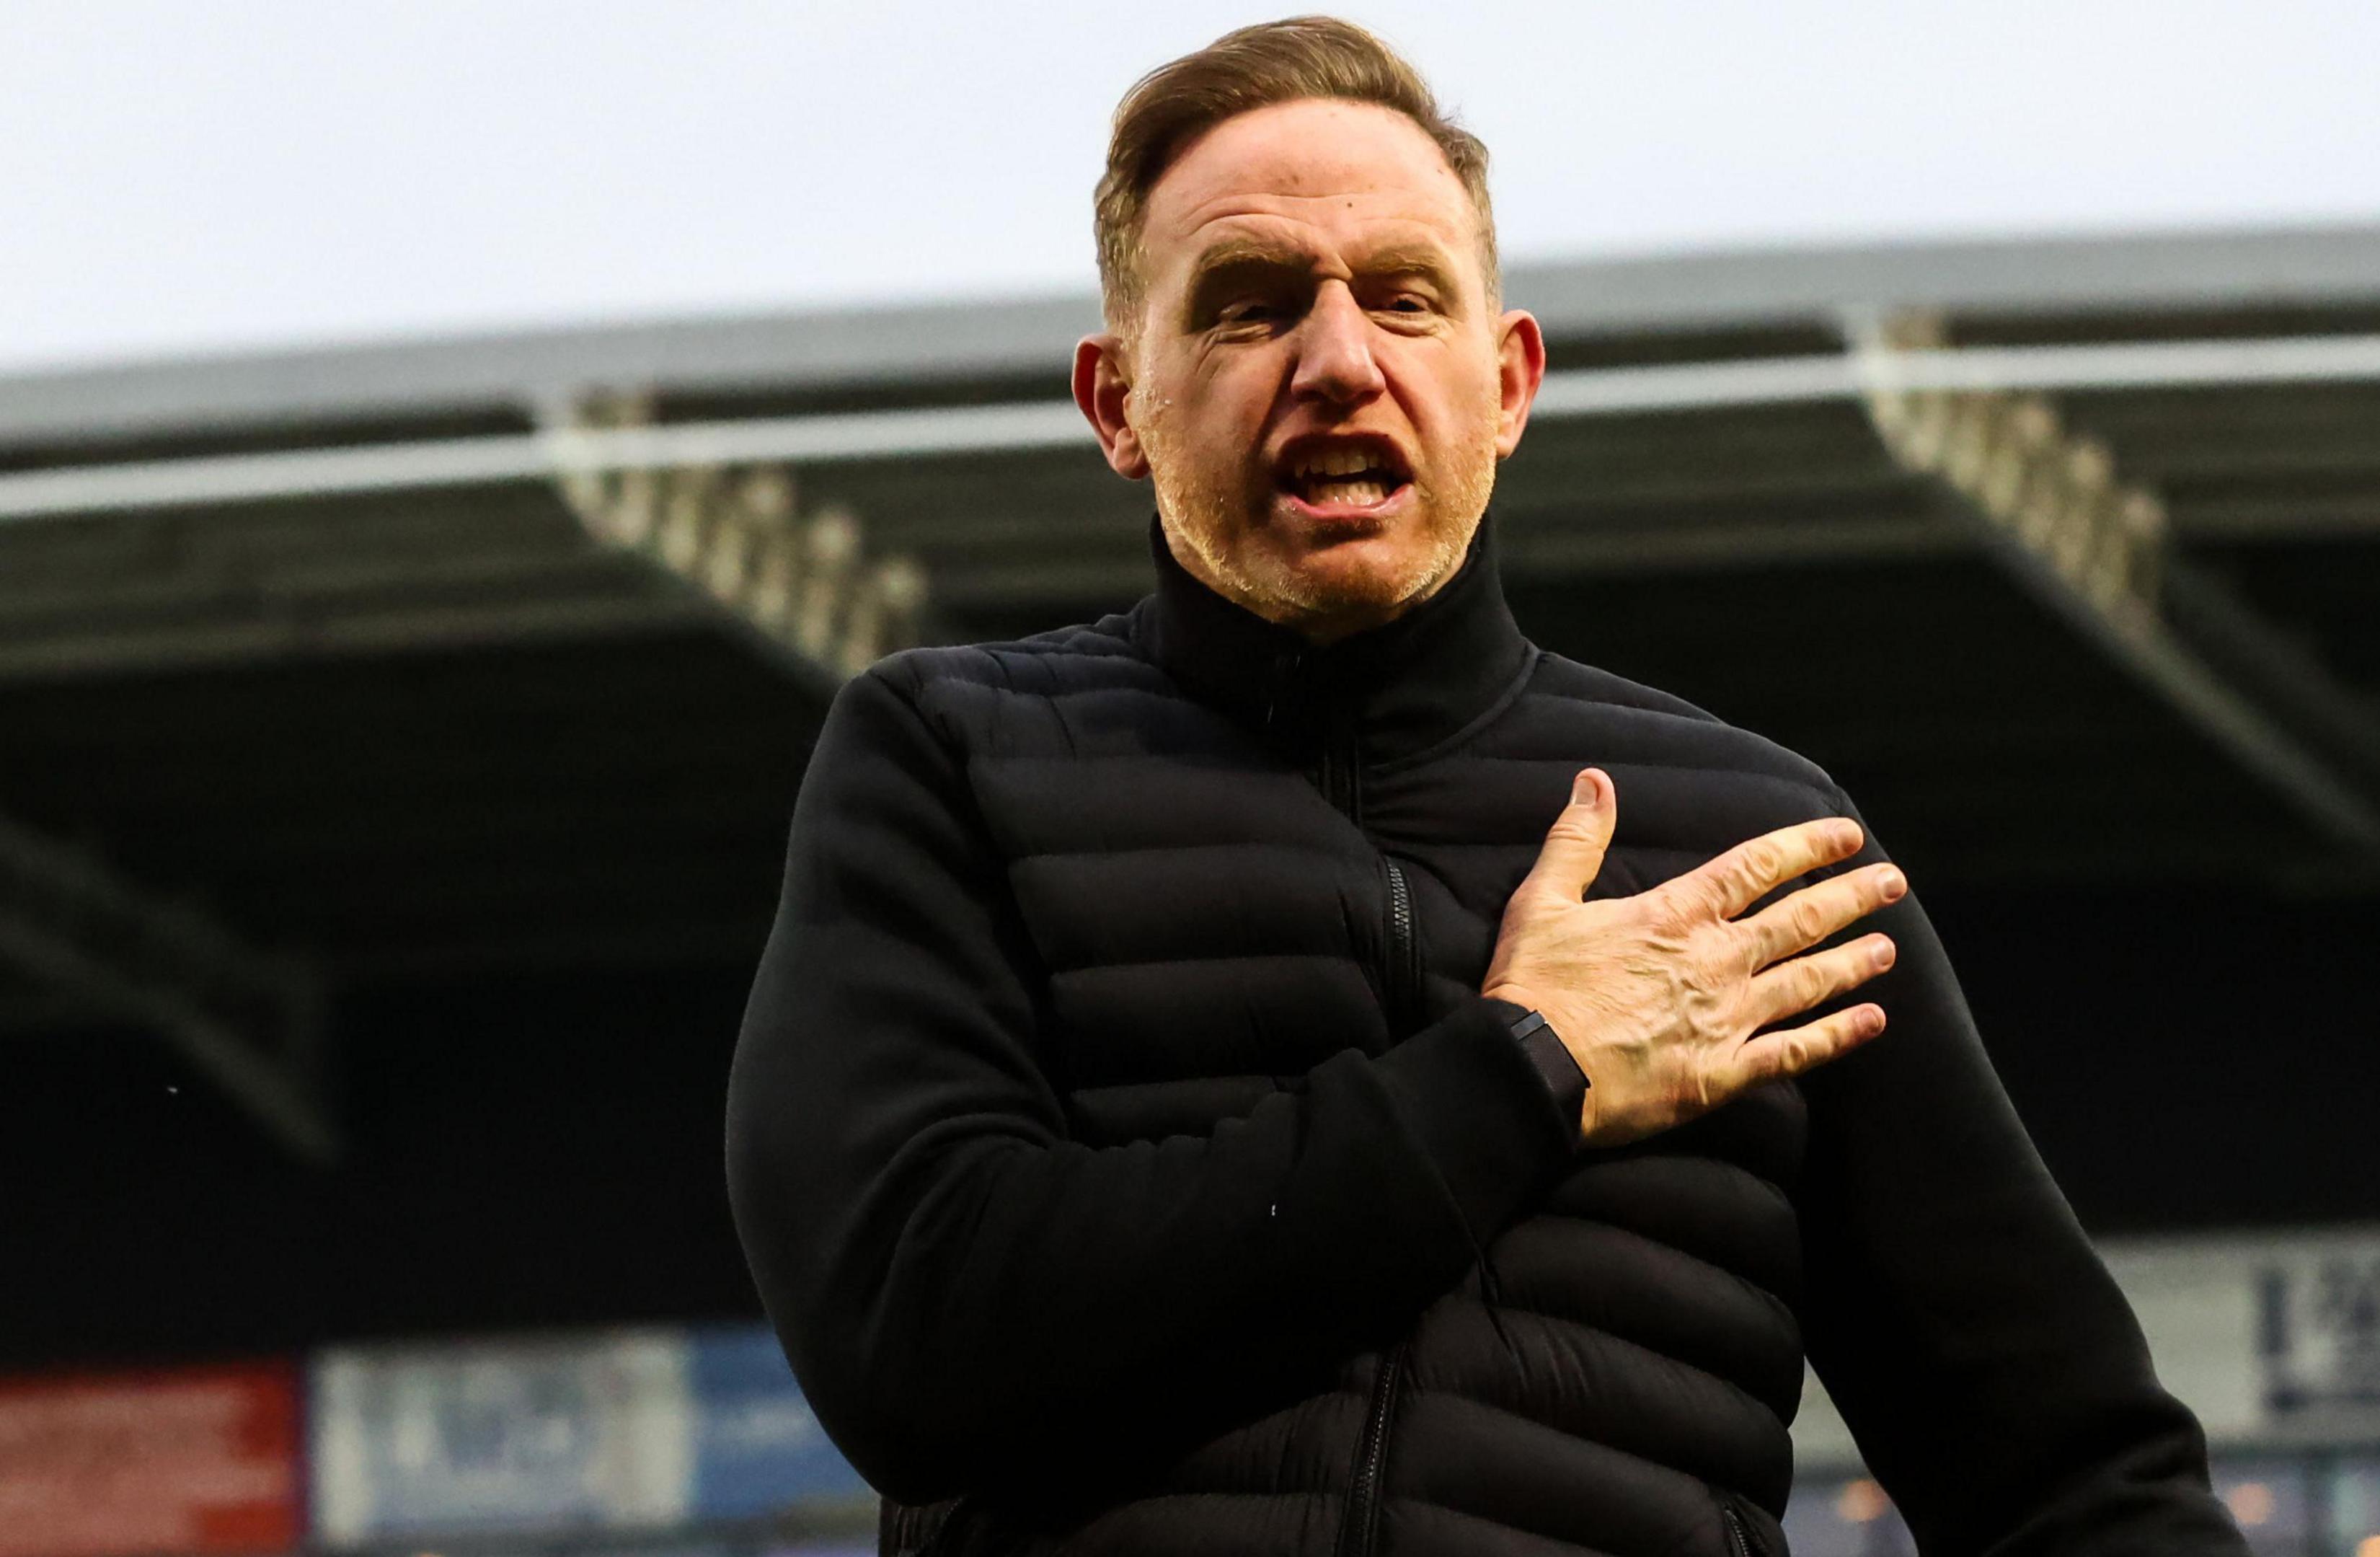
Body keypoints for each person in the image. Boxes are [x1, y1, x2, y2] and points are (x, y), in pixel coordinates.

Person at [727, 17, 2249, 1556]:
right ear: (1119, 403)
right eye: (1251, 311)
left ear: (1506, 383)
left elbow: (2074, 1476)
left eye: (1403, 299)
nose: (1338, 362)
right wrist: (1525, 1073)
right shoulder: (951, 758)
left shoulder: (1752, 848)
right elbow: (912, 1341)